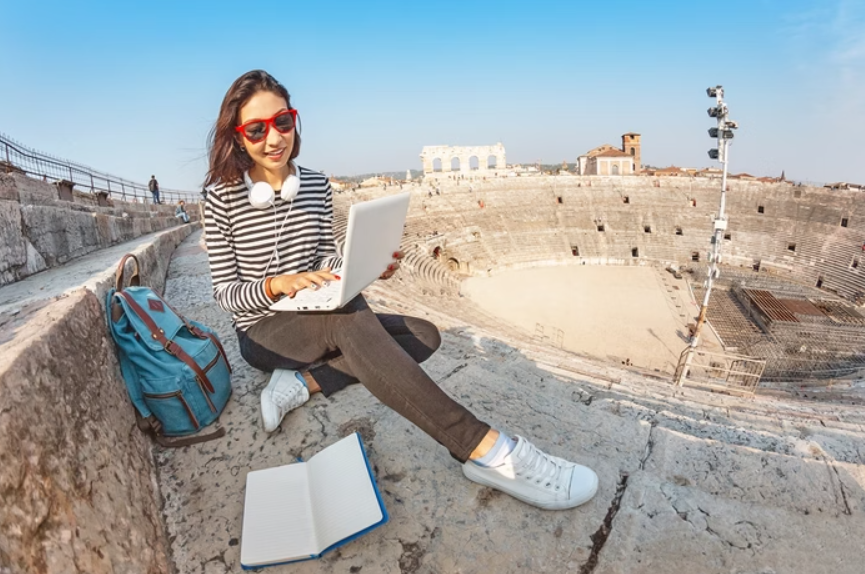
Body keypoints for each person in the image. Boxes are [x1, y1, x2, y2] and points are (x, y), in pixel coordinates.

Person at [202, 70, 598, 511]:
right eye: (256, 129)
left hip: (316, 312)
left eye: (283, 122)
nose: (273, 138)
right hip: (264, 331)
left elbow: (324, 259)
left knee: (423, 336)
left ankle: (304, 382)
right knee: (347, 315)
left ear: (295, 120)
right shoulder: (221, 196)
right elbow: (226, 295)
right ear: (237, 138)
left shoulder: (313, 184)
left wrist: (363, 266)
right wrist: (278, 284)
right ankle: (486, 450)